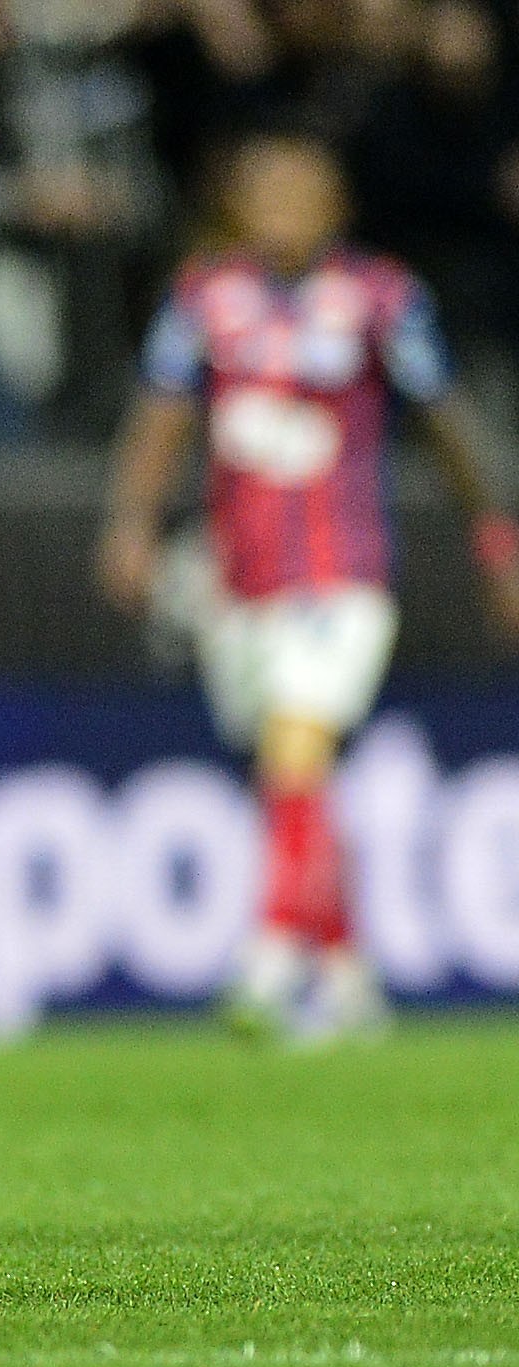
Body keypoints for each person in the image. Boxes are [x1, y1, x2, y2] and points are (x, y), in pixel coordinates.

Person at [97, 129, 519, 1043]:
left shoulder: (382, 298)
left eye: (300, 189)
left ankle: (270, 955)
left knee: (297, 744)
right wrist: (131, 521)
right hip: (240, 578)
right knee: (294, 776)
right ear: (236, 204)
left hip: (341, 573)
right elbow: (162, 416)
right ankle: (348, 969)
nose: (280, 205)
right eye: (262, 187)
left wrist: (498, 539)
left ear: (338, 206)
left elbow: (447, 421)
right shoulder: (204, 298)